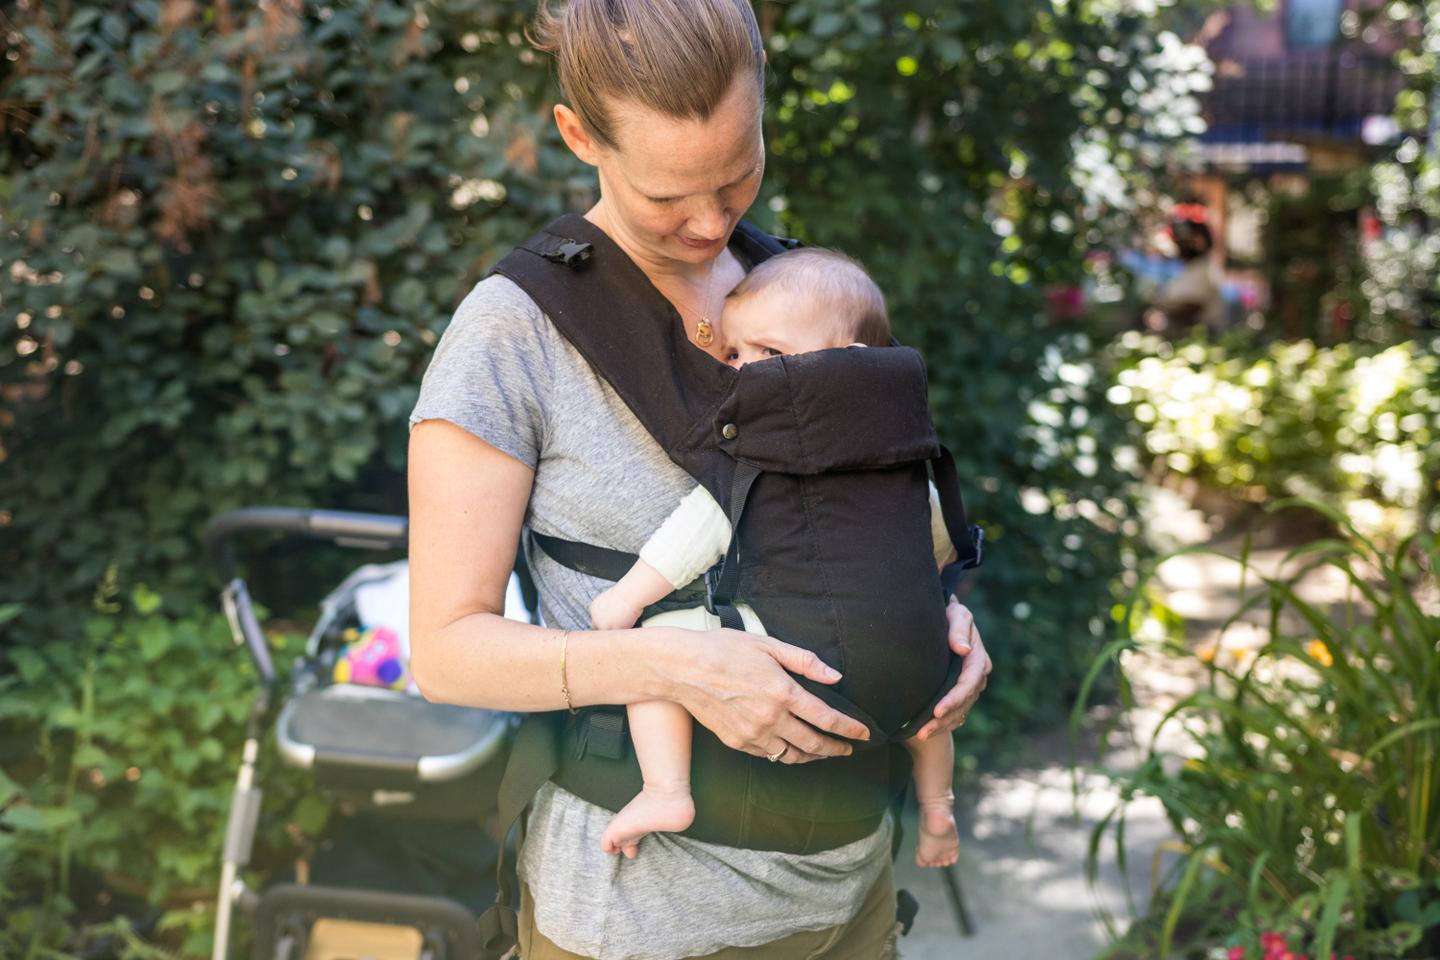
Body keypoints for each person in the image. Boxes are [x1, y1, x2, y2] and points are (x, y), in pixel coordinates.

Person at [406, 1, 991, 956]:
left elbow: (872, 518)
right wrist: (672, 662)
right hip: (637, 923)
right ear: (578, 135)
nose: (712, 222)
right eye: (670, 194)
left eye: (738, 175)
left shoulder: (798, 288)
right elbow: (446, 651)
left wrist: (932, 621)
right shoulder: (511, 334)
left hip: (852, 891)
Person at [588, 247, 962, 871]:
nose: (745, 371)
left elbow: (702, 527)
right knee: (934, 694)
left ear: (849, 361)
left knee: (659, 642)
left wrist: (626, 597)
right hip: (913, 677)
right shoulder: (903, 457)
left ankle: (665, 791)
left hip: (814, 670)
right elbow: (935, 541)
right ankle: (939, 804)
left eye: (771, 354)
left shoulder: (765, 454)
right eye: (736, 355)